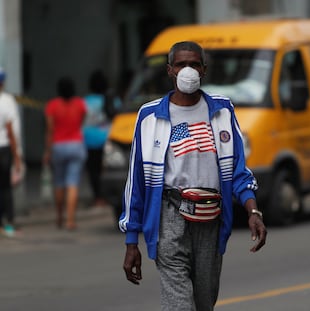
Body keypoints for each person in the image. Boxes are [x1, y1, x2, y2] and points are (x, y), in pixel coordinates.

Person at [120, 41, 267, 311]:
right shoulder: (150, 116)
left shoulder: (222, 111)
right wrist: (132, 241)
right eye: (180, 64)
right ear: (169, 70)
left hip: (210, 218)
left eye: (194, 64)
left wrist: (253, 211)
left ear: (204, 70)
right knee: (179, 305)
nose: (188, 70)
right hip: (169, 217)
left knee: (204, 302)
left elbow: (238, 171)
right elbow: (136, 183)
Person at [43, 76, 87, 230]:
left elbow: (49, 130)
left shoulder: (52, 106)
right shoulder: (80, 104)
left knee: (59, 182)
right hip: (76, 144)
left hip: (58, 146)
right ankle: (71, 220)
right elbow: (82, 121)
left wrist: (47, 151)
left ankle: (60, 217)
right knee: (72, 183)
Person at [83, 70, 110, 206]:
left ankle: (97, 197)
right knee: (106, 170)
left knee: (93, 170)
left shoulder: (85, 102)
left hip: (89, 140)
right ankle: (107, 196)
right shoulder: (111, 99)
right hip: (107, 139)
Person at [0, 67, 22, 237]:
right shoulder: (7, 101)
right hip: (4, 149)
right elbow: (10, 131)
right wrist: (17, 158)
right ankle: (9, 221)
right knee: (5, 187)